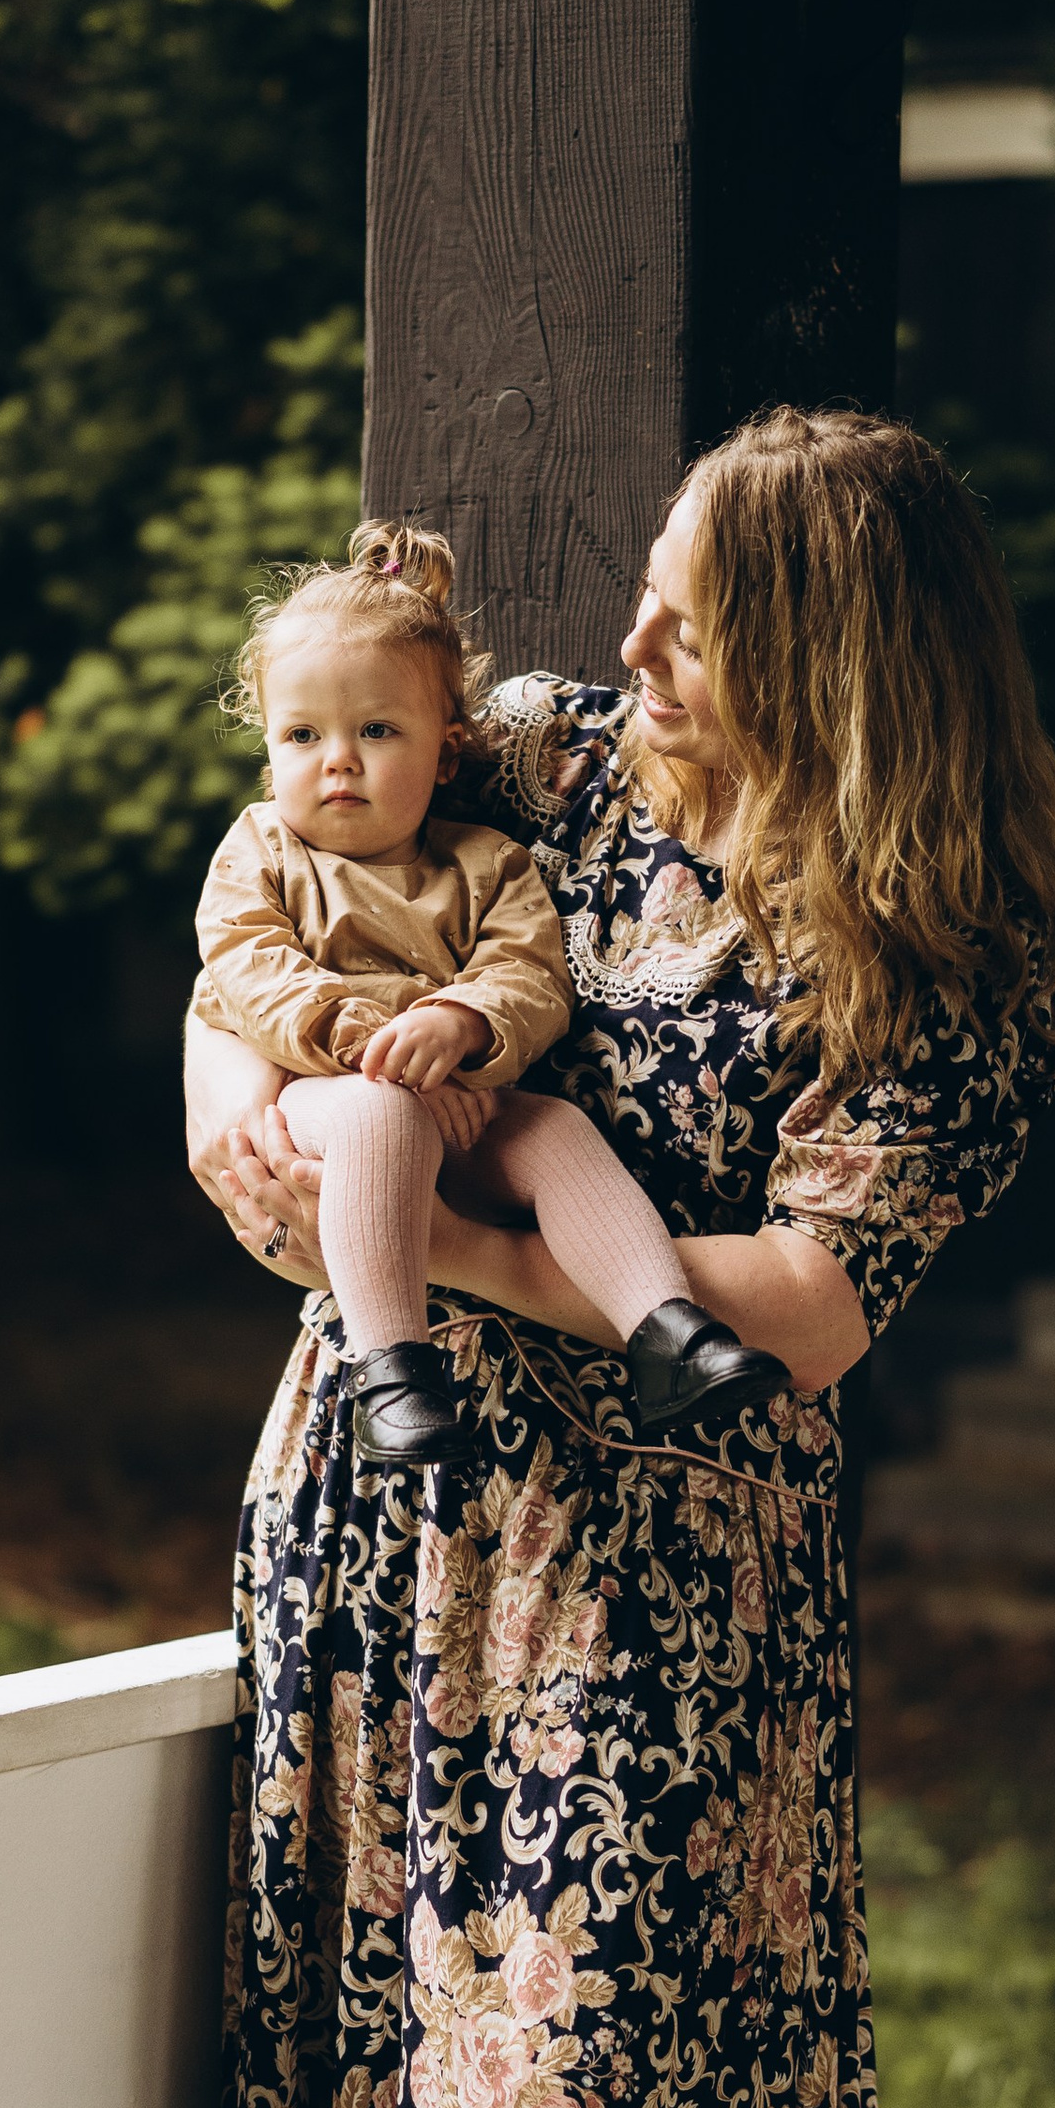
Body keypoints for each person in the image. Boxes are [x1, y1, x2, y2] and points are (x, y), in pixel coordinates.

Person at [186, 406, 1055, 2108]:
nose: (641, 646)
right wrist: (295, 1130)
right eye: (658, 596)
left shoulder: (946, 949)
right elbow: (249, 973)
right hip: (395, 1537)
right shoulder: (539, 754)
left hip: (657, 1627)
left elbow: (804, 1317)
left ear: (835, 668)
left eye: (704, 617)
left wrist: (427, 1225)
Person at [194, 524, 789, 1468]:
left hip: (463, 1103)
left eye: (376, 732)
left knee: (554, 1131)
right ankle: (390, 1369)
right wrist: (375, 1045)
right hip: (329, 1106)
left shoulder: (488, 860)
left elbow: (529, 975)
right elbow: (249, 967)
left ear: (445, 752)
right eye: (302, 736)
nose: (336, 760)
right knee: (380, 1119)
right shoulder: (261, 852)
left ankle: (667, 1328)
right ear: (269, 751)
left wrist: (463, 1022)